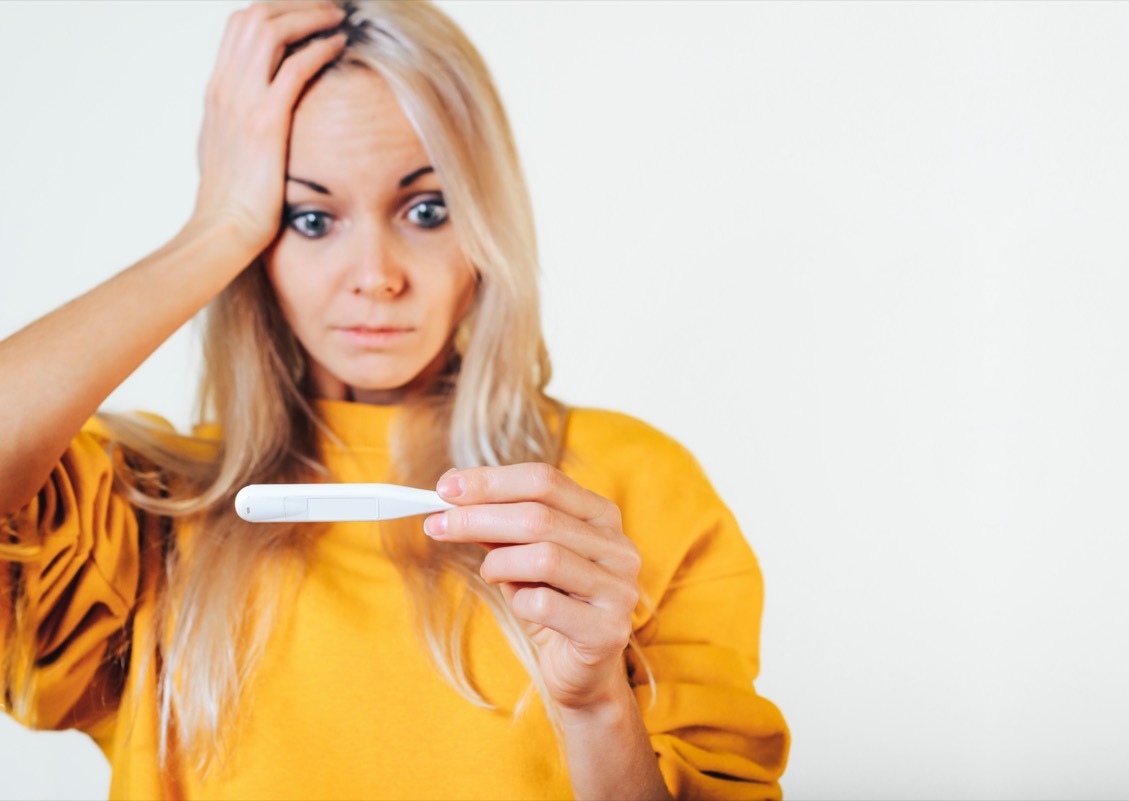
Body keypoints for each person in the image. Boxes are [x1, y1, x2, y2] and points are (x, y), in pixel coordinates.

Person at [0, 1, 789, 798]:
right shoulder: (146, 514)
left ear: (485, 221)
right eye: (310, 217)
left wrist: (595, 710)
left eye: (426, 209)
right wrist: (218, 225)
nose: (376, 274)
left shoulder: (625, 493)